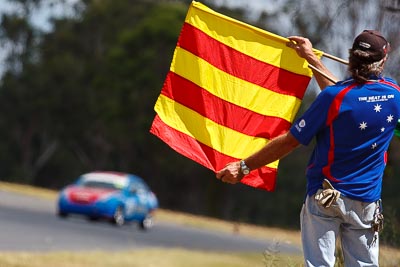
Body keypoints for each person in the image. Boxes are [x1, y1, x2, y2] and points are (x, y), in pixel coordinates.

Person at [216, 30, 400, 266]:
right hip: (367, 202)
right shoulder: (394, 95)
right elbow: (348, 98)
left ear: (351, 57)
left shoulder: (335, 97)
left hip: (326, 198)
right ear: (382, 61)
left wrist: (243, 166)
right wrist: (312, 58)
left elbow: (291, 140)